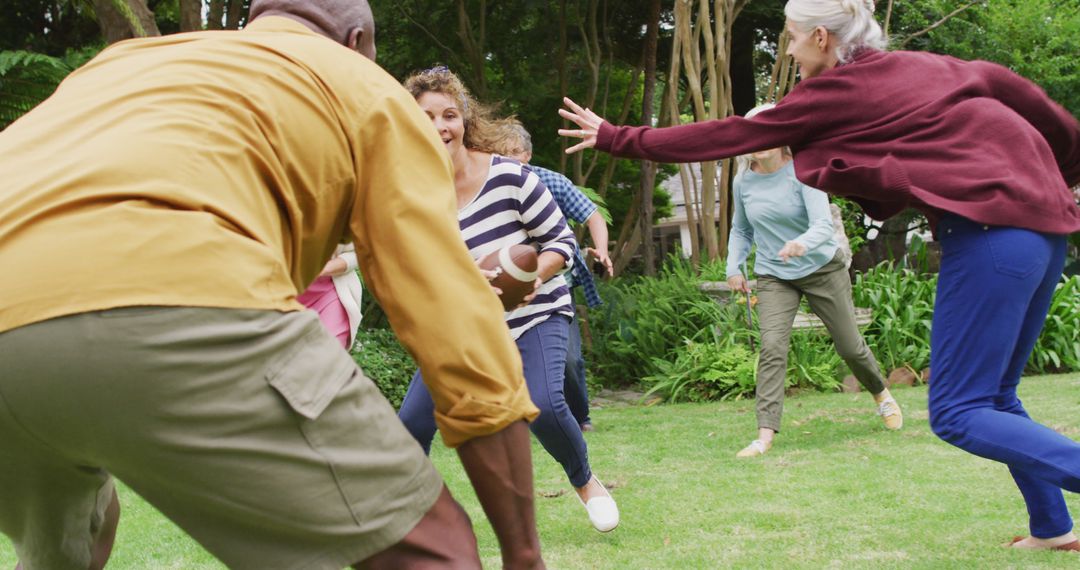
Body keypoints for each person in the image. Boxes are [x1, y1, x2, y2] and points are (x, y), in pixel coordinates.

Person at [0, 1, 549, 568]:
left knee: (74, 541)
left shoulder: (118, 67)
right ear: (357, 39)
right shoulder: (364, 88)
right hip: (175, 295)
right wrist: (524, 552)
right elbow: (449, 317)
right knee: (433, 553)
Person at [560, 0, 1080, 551]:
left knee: (959, 412)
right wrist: (1063, 173)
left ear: (821, 39)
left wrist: (621, 137)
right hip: (1042, 232)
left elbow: (731, 134)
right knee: (995, 397)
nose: (788, 49)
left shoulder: (834, 92)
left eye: (790, 38)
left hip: (989, 237)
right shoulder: (925, 66)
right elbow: (1019, 92)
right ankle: (1052, 529)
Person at [396, 67, 619, 533]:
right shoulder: (417, 197)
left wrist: (533, 276)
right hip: (469, 325)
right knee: (413, 421)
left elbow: (561, 242)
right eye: (427, 117)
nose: (440, 127)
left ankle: (586, 482)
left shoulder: (510, 177)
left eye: (450, 115)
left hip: (538, 312)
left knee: (545, 404)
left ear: (465, 121)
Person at [726, 103, 902, 459]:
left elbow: (822, 225)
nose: (760, 140)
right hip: (775, 274)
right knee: (772, 347)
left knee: (850, 346)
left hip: (821, 268)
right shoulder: (743, 181)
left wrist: (800, 244)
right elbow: (741, 229)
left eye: (768, 131)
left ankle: (881, 394)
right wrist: (734, 266)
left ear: (781, 135)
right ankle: (764, 435)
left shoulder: (803, 172)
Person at [497, 122, 613, 432]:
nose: (507, 159)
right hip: (507, 287)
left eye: (513, 153)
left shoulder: (551, 182)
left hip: (558, 284)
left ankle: (581, 416)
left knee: (570, 361)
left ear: (528, 154)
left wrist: (601, 249)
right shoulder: (488, 187)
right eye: (500, 153)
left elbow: (592, 215)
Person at [298, 242, 364, 350]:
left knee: (329, 349)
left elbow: (360, 251)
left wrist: (324, 268)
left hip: (332, 287)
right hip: (286, 288)